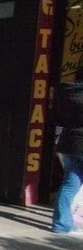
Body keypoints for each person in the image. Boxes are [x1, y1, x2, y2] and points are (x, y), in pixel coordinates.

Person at [51, 67, 83, 234]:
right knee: (71, 184)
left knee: (70, 184)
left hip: (68, 141)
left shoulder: (66, 93)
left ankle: (61, 224)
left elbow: (56, 118)